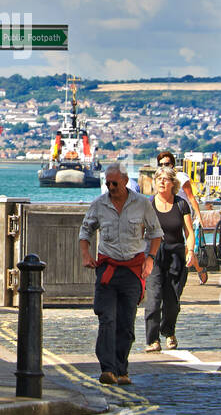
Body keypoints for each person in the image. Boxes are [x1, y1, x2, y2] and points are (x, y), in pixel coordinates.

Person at [79, 163, 162, 385]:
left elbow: (156, 233)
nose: (111, 187)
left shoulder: (142, 204)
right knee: (107, 319)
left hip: (132, 270)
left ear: (125, 181)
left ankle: (121, 368)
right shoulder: (99, 204)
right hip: (107, 269)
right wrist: (86, 254)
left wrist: (150, 259)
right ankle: (107, 369)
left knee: (126, 323)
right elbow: (85, 230)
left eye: (114, 183)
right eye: (107, 183)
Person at [144, 166, 206, 354]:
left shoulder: (181, 204)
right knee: (154, 299)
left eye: (166, 179)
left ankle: (168, 331)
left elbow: (188, 232)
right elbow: (139, 231)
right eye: (159, 178)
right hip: (154, 255)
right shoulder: (148, 205)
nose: (162, 182)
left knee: (172, 301)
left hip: (176, 254)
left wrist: (190, 251)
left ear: (173, 183)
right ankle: (152, 339)